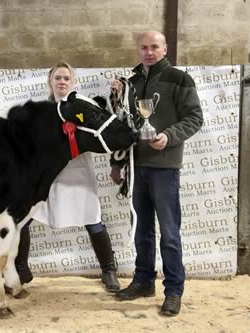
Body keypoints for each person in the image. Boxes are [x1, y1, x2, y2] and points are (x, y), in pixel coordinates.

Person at [110, 31, 203, 316]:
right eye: (143, 47)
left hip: (165, 167)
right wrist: (118, 163)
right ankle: (143, 281)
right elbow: (121, 124)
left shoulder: (180, 79)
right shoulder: (132, 84)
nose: (149, 52)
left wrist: (168, 136)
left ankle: (174, 291)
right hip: (137, 167)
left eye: (154, 47)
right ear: (138, 50)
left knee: (170, 234)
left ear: (164, 48)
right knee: (142, 229)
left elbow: (195, 118)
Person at [15, 61, 120, 292]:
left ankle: (109, 270)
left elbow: (105, 130)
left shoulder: (84, 107)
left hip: (78, 173)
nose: (62, 82)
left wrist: (115, 95)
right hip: (47, 176)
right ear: (50, 82)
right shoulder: (39, 111)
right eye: (58, 78)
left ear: (73, 82)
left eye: (66, 78)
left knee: (93, 220)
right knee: (22, 220)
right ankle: (21, 269)